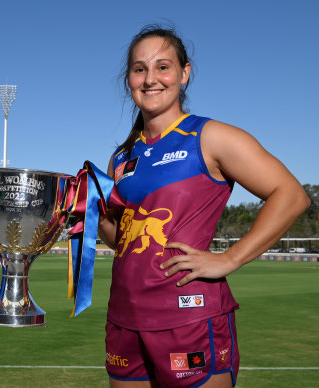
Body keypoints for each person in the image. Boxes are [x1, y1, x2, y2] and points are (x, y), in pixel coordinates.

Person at [98, 25, 309, 388]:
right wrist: (90, 215)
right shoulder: (122, 156)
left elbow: (290, 194)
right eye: (139, 69)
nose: (150, 79)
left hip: (189, 318)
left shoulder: (210, 137)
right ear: (129, 79)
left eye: (163, 67)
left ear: (184, 73)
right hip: (125, 317)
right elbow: (126, 242)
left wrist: (230, 259)